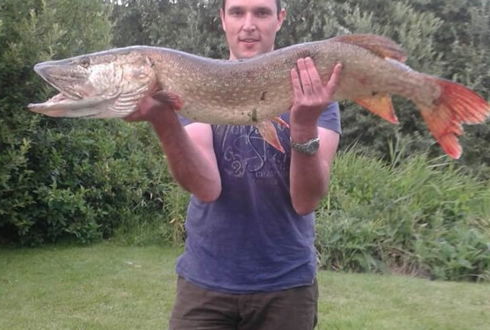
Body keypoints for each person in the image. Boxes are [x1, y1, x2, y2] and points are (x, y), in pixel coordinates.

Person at [126, 0, 342, 328]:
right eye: (238, 12)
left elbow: (306, 200)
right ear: (222, 19)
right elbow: (206, 187)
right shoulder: (190, 86)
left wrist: (303, 126)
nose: (248, 24)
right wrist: (163, 121)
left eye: (262, 12)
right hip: (205, 281)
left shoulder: (317, 95)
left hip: (286, 286)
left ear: (280, 19)